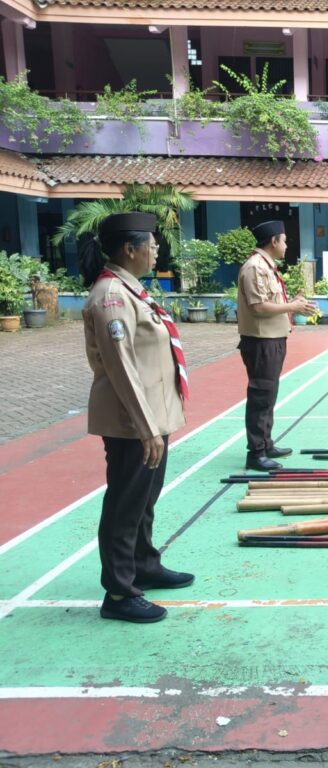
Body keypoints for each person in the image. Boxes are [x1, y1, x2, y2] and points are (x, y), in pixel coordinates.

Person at [80, 212, 193, 624]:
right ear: (130, 249)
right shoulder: (111, 295)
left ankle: (143, 564)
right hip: (131, 421)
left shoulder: (131, 290)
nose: (156, 250)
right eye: (152, 244)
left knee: (144, 499)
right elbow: (121, 367)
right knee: (125, 503)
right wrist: (147, 428)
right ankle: (119, 591)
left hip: (150, 416)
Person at [236, 220, 318, 471]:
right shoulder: (255, 267)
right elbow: (258, 307)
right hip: (261, 341)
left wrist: (292, 302)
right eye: (284, 240)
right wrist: (292, 306)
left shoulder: (266, 267)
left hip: (272, 339)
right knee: (261, 395)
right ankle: (256, 453)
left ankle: (266, 443)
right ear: (273, 241)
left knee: (268, 394)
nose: (286, 245)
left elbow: (270, 303)